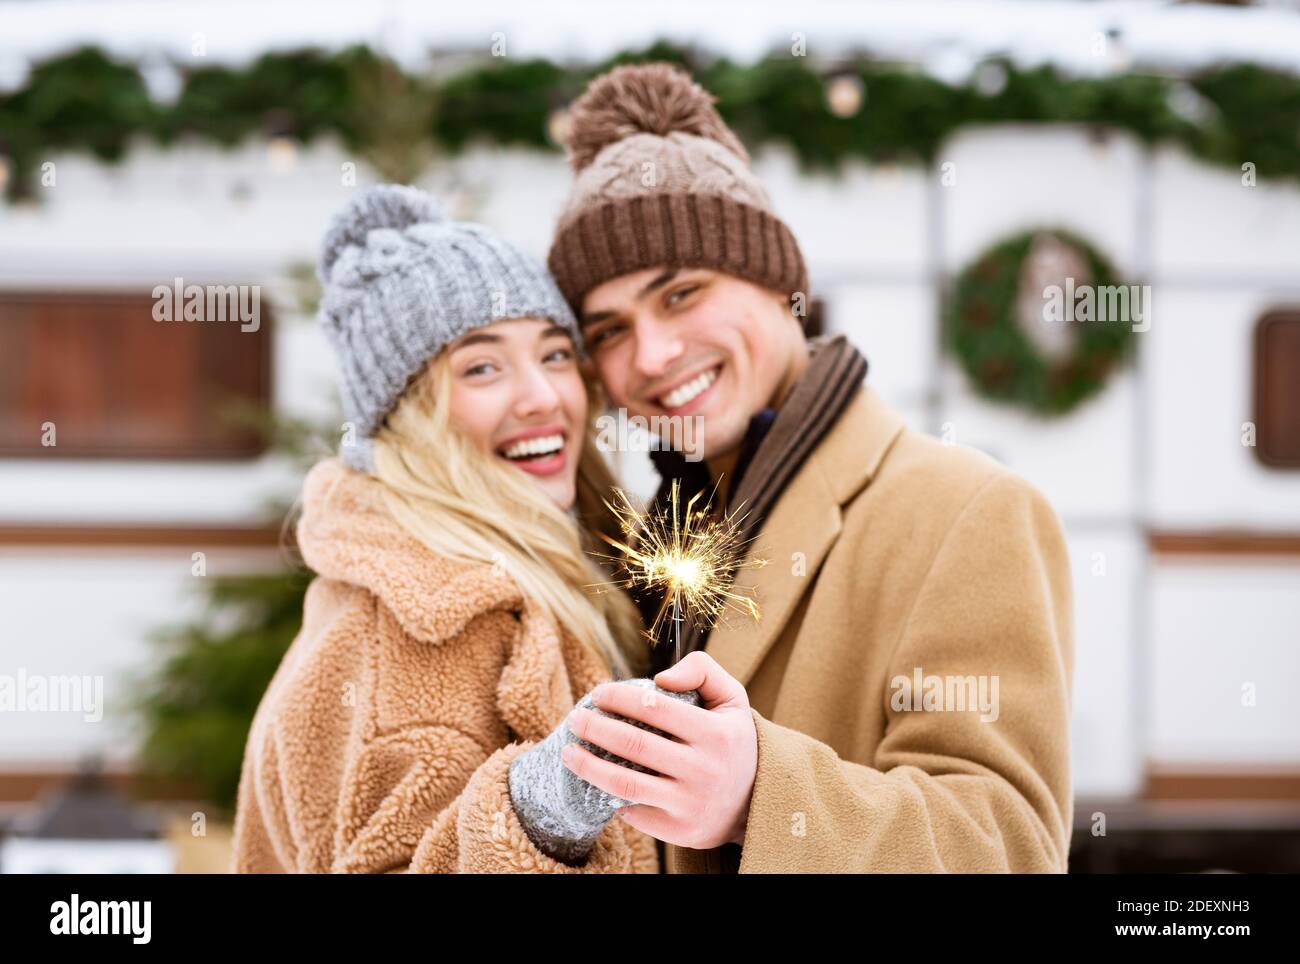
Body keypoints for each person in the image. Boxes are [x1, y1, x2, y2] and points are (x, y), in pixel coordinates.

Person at [543, 62, 1076, 873]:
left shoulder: (969, 508)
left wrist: (765, 798)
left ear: (777, 282)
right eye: (609, 330)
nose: (651, 354)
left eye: (681, 293)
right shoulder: (653, 536)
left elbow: (1007, 845)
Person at [230, 184, 663, 873]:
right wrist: (543, 814)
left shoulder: (572, 564)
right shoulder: (421, 620)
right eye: (482, 367)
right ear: (409, 417)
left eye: (554, 354)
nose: (543, 396)